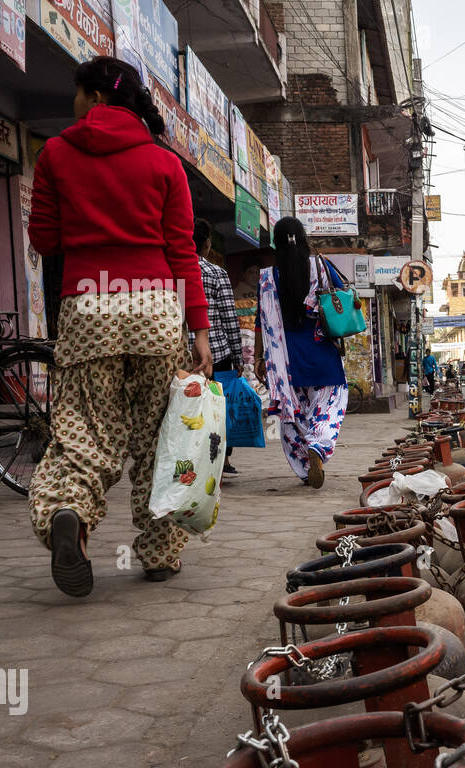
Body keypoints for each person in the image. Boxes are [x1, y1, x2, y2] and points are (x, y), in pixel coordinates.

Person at [27, 55, 212, 597]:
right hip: (156, 308)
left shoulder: (56, 154)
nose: (73, 104)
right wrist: (198, 331)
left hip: (88, 308)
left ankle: (70, 513)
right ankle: (157, 553)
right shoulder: (163, 163)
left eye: (77, 93)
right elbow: (182, 252)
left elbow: (45, 239)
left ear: (97, 98)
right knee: (161, 438)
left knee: (86, 431)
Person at [252, 216, 348, 490]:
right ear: (304, 239)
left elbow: (261, 321)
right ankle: (319, 446)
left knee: (294, 416)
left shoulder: (268, 278)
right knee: (328, 407)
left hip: (285, 363)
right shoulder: (321, 266)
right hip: (322, 356)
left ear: (276, 245)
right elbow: (341, 299)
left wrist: (259, 358)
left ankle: (306, 467)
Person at [191, 218, 243, 476]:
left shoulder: (172, 271)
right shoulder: (216, 273)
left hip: (183, 354)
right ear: (207, 245)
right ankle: (221, 461)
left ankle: (191, 457)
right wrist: (238, 355)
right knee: (217, 409)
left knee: (188, 407)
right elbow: (229, 317)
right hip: (217, 354)